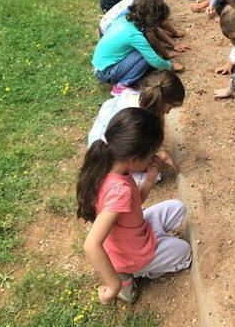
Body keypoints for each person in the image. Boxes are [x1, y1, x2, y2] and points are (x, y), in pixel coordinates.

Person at [78, 108, 192, 304]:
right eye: (149, 156)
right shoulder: (118, 191)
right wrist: (112, 286)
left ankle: (154, 246)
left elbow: (133, 202)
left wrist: (149, 178)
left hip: (134, 231)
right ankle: (128, 276)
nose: (152, 159)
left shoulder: (111, 166)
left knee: (178, 208)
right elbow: (91, 244)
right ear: (133, 160)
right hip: (130, 254)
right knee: (185, 252)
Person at [87, 70, 186, 185]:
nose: (168, 112)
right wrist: (154, 158)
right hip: (105, 154)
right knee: (155, 176)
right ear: (161, 103)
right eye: (170, 107)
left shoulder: (138, 98)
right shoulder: (138, 121)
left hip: (100, 141)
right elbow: (127, 150)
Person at [92, 0, 183, 96]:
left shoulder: (125, 20)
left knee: (146, 52)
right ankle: (121, 86)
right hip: (106, 72)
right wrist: (171, 66)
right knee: (145, 56)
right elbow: (154, 60)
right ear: (151, 21)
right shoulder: (134, 35)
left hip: (100, 67)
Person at [99, 0, 187, 57]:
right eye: (160, 1)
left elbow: (158, 25)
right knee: (147, 49)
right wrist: (166, 54)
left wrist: (174, 41)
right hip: (108, 35)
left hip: (109, 30)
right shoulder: (137, 10)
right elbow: (151, 34)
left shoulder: (138, 1)